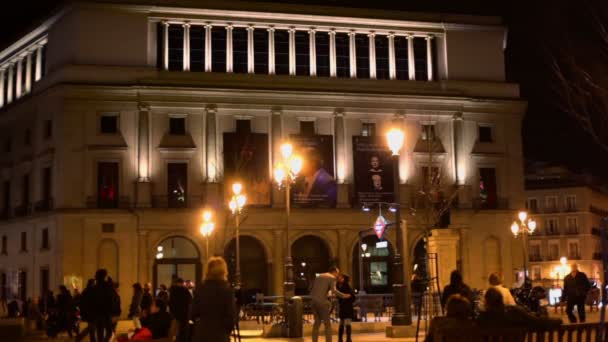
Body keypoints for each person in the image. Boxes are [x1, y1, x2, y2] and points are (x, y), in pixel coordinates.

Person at [190, 257, 237, 342]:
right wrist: (225, 330)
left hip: (202, 334)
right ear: (224, 272)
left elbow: (192, 313)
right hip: (220, 335)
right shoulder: (227, 290)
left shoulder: (200, 289)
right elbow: (231, 317)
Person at [477, 288, 561, 330]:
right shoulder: (513, 312)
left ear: (487, 302)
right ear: (501, 299)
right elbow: (536, 321)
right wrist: (558, 320)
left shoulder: (482, 318)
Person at [310, 266, 350, 342]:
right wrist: (344, 295)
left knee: (316, 324)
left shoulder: (319, 276)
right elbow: (334, 290)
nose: (337, 275)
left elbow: (313, 288)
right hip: (322, 303)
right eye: (337, 273)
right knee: (327, 325)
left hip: (313, 302)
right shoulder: (332, 278)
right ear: (334, 272)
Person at [89, 269, 116, 342]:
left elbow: (92, 300)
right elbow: (112, 299)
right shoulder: (107, 286)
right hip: (106, 312)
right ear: (104, 276)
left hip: (98, 313)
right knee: (109, 332)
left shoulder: (95, 287)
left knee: (100, 332)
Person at [169, 278, 193, 342]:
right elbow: (190, 303)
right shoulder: (185, 291)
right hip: (184, 316)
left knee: (174, 333)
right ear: (181, 283)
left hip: (175, 316)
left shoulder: (172, 291)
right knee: (183, 334)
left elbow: (170, 304)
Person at [337, 275, 356, 342]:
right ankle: (347, 339)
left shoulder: (342, 286)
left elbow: (351, 296)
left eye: (341, 278)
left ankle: (341, 339)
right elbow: (353, 297)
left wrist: (343, 298)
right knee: (346, 323)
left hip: (344, 307)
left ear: (344, 279)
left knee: (343, 323)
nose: (339, 278)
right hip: (346, 307)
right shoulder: (346, 286)